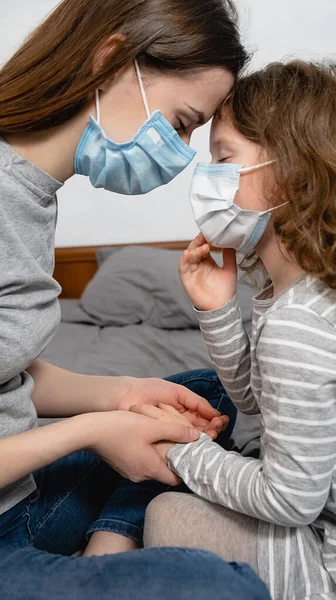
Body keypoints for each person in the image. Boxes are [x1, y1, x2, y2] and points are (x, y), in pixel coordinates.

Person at [0, 0, 270, 597]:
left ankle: (107, 543)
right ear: (112, 59)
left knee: (212, 394)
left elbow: (6, 363)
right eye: (181, 123)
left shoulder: (33, 194)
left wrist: (122, 396)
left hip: (25, 495)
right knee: (220, 588)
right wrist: (92, 429)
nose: (179, 155)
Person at [139, 60, 336, 599]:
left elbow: (289, 501)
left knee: (169, 513)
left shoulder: (304, 322)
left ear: (295, 171)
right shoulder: (318, 290)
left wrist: (179, 450)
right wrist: (217, 310)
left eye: (224, 158)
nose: (206, 175)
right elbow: (261, 399)